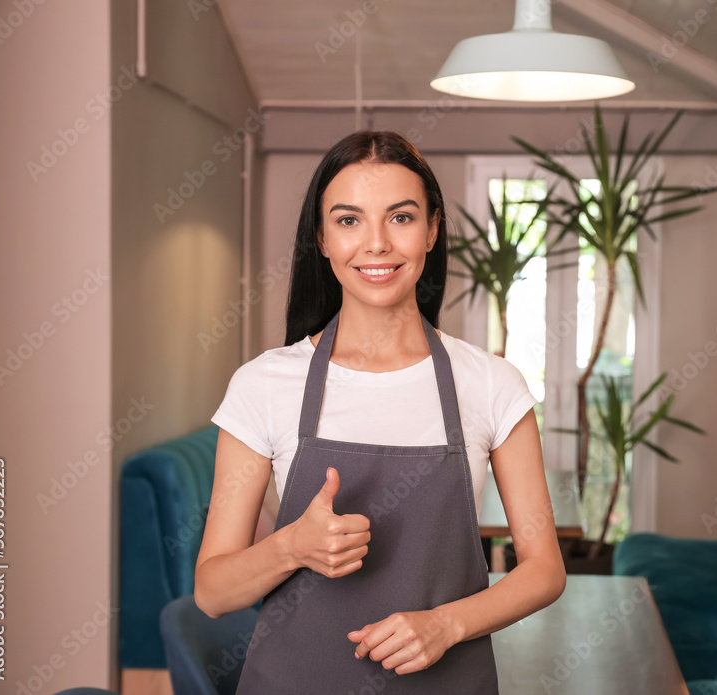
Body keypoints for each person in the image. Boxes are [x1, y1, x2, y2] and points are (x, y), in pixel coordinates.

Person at [195, 131, 566, 694]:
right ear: (321, 238)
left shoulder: (491, 384)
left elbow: (544, 569)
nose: (376, 244)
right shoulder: (263, 385)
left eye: (400, 217)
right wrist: (292, 546)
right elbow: (213, 591)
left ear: (432, 230)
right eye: (348, 220)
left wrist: (447, 624)